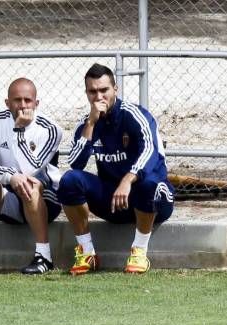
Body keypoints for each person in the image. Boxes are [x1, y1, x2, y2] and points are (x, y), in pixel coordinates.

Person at [57, 63, 174, 275]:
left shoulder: (136, 115)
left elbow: (151, 154)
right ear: (87, 93)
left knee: (148, 183)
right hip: (114, 201)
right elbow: (75, 162)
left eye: (104, 90)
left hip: (153, 199)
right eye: (93, 91)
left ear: (115, 89)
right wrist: (91, 124)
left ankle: (139, 251)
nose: (99, 96)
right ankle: (87, 252)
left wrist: (128, 180)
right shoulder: (87, 123)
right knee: (69, 181)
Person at [0, 78, 63, 275]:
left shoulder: (51, 129)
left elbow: (31, 168)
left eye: (28, 100)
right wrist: (10, 177)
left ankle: (44, 257)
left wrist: (19, 130)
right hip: (7, 198)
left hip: (44, 198)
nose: (23, 105)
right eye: (17, 100)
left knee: (30, 183)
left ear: (36, 103)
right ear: (7, 103)